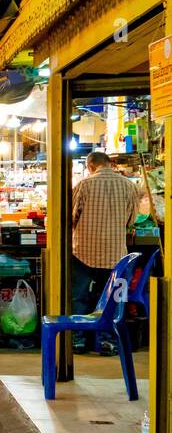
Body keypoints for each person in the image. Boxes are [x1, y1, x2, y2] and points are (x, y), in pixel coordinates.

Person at [71, 150, 141, 354]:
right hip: (115, 255)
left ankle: (78, 340)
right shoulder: (129, 186)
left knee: (79, 297)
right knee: (112, 299)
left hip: (82, 252)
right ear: (110, 164)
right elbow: (131, 221)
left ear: (90, 166)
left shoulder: (84, 184)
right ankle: (108, 341)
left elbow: (73, 217)